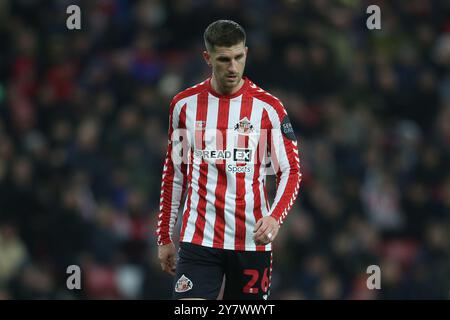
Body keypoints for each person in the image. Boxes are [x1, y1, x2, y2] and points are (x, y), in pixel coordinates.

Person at [156, 19, 301, 300]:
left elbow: (291, 170)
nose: (233, 68)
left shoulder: (268, 108)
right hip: (199, 239)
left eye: (238, 58)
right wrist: (164, 237)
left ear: (246, 53)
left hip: (250, 241)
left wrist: (274, 218)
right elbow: (174, 173)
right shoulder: (183, 105)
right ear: (207, 58)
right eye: (224, 59)